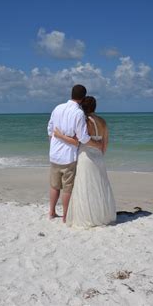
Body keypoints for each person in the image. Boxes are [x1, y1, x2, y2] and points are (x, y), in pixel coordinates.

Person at [54, 96, 116, 228]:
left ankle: (87, 216)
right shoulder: (103, 122)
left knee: (85, 187)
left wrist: (60, 136)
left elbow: (79, 139)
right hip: (98, 157)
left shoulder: (84, 121)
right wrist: (99, 154)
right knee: (99, 187)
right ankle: (101, 215)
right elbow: (104, 143)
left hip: (85, 156)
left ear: (82, 107)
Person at [47, 85, 102, 223]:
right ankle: (65, 216)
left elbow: (50, 130)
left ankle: (52, 212)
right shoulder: (78, 113)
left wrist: (55, 143)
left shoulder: (57, 108)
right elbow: (82, 138)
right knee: (67, 187)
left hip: (54, 154)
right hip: (68, 156)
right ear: (83, 98)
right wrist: (96, 144)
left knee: (54, 185)